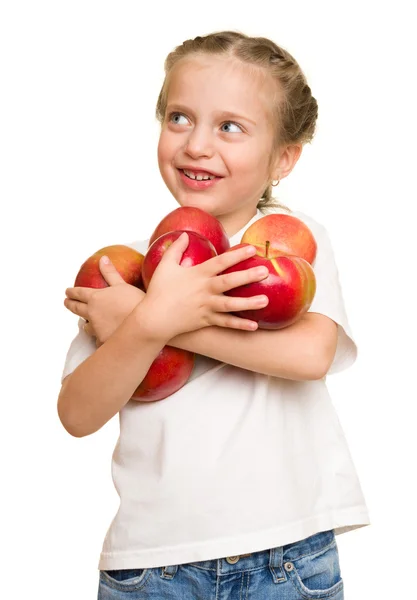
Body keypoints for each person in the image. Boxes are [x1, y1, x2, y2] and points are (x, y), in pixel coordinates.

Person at [59, 30, 370, 599]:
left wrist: (166, 318)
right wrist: (147, 319)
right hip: (152, 569)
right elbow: (77, 414)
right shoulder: (127, 274)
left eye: (229, 127)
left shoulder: (289, 246)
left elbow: (310, 354)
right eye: (179, 118)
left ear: (284, 157)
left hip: (287, 558)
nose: (196, 144)